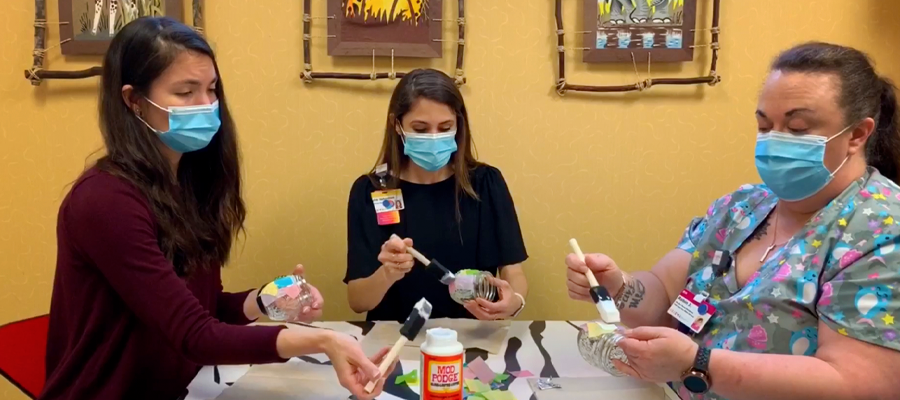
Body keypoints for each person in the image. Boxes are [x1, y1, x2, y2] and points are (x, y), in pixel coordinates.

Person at [40, 17, 392, 400]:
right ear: (134, 101)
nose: (206, 105)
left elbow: (203, 308)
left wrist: (263, 300)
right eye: (185, 92)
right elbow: (193, 335)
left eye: (211, 90)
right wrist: (322, 340)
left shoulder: (188, 186)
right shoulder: (105, 201)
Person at [566, 42, 900, 400]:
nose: (775, 141)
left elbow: (861, 382)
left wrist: (698, 364)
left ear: (857, 134)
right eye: (765, 125)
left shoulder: (880, 231)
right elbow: (664, 294)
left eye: (798, 128)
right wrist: (618, 287)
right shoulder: (741, 207)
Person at [344, 69, 529, 322]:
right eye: (420, 129)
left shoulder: (485, 183)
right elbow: (358, 301)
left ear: (458, 123)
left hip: (472, 338)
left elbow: (512, 271)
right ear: (396, 125)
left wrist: (514, 302)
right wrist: (388, 273)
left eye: (445, 127)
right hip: (394, 340)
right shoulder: (371, 190)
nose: (433, 137)